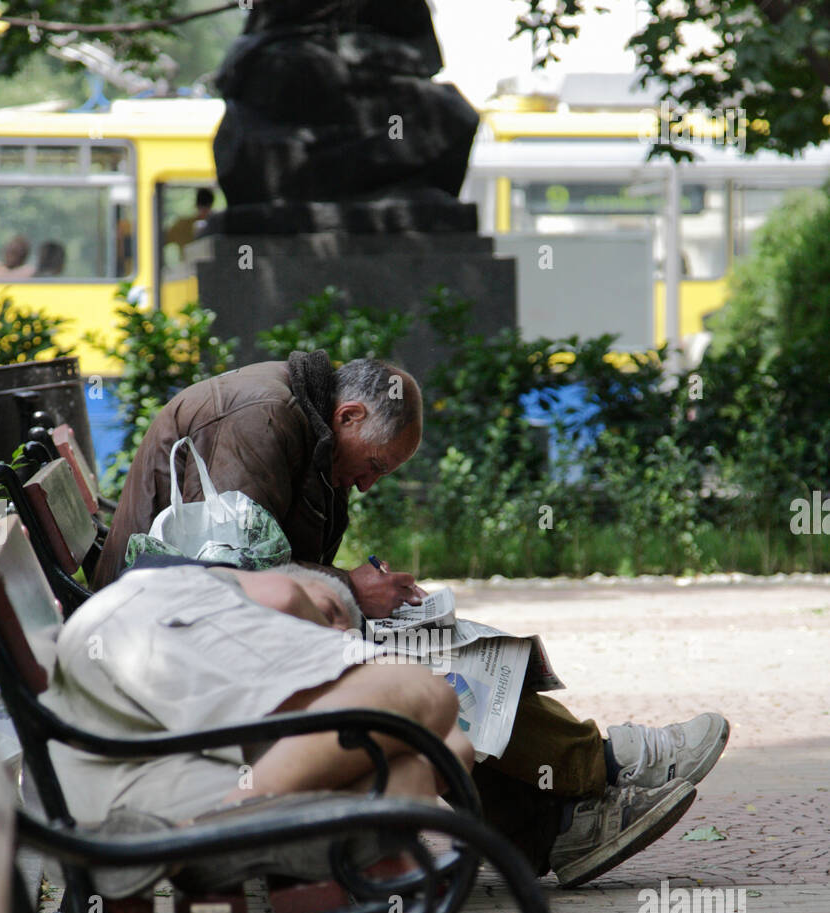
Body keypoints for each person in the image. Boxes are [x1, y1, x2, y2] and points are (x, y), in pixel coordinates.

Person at [92, 352, 727, 885]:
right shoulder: (262, 418)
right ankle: (600, 771)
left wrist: (351, 590)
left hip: (190, 625)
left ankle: (562, 820)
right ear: (349, 415)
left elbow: (253, 557)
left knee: (448, 658)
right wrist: (349, 590)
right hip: (179, 639)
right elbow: (231, 572)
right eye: (374, 466)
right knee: (438, 673)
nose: (368, 485)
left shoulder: (298, 418)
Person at [41, 562, 475, 885]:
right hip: (136, 636)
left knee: (408, 772)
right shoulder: (256, 588)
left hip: (116, 785)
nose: (330, 639)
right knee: (424, 695)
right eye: (328, 619)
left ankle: (203, 832)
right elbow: (283, 596)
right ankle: (212, 833)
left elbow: (446, 747)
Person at [164, 187, 215, 258]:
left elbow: (160, 239)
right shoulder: (218, 224)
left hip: (189, 267)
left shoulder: (181, 225)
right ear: (212, 204)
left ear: (196, 204)